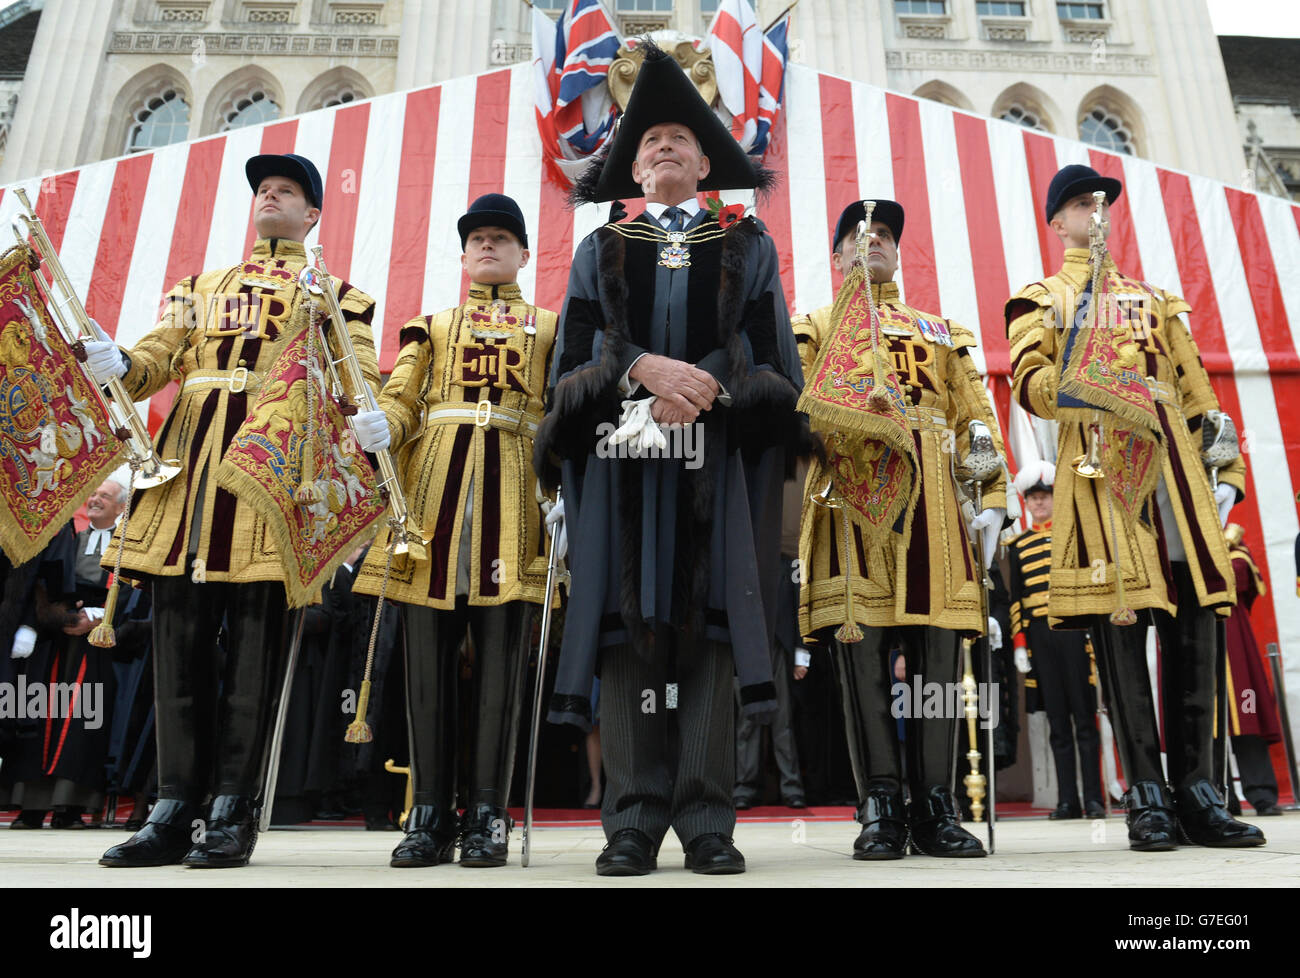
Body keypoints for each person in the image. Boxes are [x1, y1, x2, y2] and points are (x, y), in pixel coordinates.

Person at [533, 41, 807, 877]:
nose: (663, 149)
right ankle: (632, 819)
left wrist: (703, 384)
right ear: (632, 163)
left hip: (715, 467)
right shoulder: (600, 248)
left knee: (713, 638)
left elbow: (773, 358)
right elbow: (569, 360)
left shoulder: (748, 243)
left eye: (680, 141)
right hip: (624, 466)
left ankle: (708, 821)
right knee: (629, 638)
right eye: (649, 142)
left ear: (704, 160)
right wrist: (639, 370)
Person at [89, 153, 380, 867]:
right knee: (178, 655)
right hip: (188, 482)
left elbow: (359, 375)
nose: (269, 196)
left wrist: (374, 415)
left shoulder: (336, 294)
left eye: (285, 190)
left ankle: (232, 808)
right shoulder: (200, 285)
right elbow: (161, 356)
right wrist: (122, 362)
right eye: (263, 189)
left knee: (255, 661)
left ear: (313, 214)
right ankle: (170, 807)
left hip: (268, 486)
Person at [1005, 164, 1264, 850]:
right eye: (1081, 204)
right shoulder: (1044, 298)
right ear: (1057, 222)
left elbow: (1199, 392)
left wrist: (1226, 468)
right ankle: (1146, 794)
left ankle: (1201, 792)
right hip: (1101, 475)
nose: (1096, 212)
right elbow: (1030, 384)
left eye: (1102, 201)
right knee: (1120, 638)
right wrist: (1095, 391)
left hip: (1176, 477)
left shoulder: (1158, 300)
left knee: (1196, 631)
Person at [351, 194, 556, 868]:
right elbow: (403, 395)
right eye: (478, 239)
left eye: (502, 238)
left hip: (516, 498)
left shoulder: (553, 328)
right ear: (464, 255)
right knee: (427, 662)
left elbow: (562, 411)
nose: (488, 247)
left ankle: (489, 810)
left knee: (501, 664)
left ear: (524, 252)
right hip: (434, 502)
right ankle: (431, 808)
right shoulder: (432, 326)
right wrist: (385, 421)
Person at [796, 199, 1006, 859]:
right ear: (838, 258)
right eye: (861, 237)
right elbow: (796, 410)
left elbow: (978, 418)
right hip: (850, 499)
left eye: (885, 234)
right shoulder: (816, 325)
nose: (875, 243)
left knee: (939, 658)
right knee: (861, 658)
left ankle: (936, 801)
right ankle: (880, 802)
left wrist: (994, 494)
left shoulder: (942, 330)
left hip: (937, 504)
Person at [1006, 460, 1104, 819]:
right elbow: (1016, 598)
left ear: (1053, 499)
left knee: (1084, 719)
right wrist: (1019, 644)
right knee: (1057, 723)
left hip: (1074, 633)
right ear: (1026, 504)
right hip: (1040, 639)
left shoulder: (1071, 538)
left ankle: (1093, 798)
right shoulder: (1017, 546)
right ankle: (1067, 800)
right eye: (1032, 499)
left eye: (1044, 497)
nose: (1038, 504)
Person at [1222, 524, 1284, 816]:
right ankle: (1217, 798)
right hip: (1194, 644)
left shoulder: (1232, 539)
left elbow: (1240, 576)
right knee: (1204, 725)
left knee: (1247, 715)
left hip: (1236, 650)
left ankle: (1261, 793)